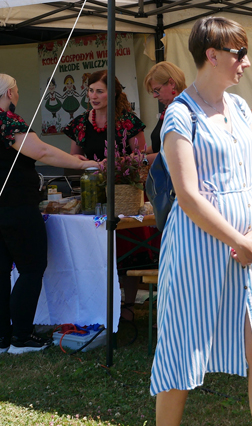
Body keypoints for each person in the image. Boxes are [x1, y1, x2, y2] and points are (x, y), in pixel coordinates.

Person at [150, 17, 252, 426]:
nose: (245, 62)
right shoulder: (179, 114)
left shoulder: (241, 108)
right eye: (239, 54)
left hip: (250, 249)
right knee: (181, 352)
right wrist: (236, 239)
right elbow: (187, 195)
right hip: (196, 249)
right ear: (213, 55)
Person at [0, 73, 99, 354]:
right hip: (16, 205)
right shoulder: (7, 121)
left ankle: (2, 338)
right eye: (17, 90)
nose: (17, 95)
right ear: (9, 94)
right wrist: (80, 165)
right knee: (31, 269)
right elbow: (41, 151)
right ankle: (20, 337)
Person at [63, 70, 148, 317]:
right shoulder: (80, 123)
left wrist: (120, 164)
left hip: (123, 194)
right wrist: (79, 161)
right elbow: (71, 159)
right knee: (97, 250)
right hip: (93, 193)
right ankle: (101, 304)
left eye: (99, 91)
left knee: (128, 251)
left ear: (113, 93)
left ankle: (129, 305)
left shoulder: (128, 121)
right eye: (90, 90)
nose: (93, 96)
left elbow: (141, 159)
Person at [143, 61, 187, 165]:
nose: (154, 95)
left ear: (172, 83)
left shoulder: (180, 110)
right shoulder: (169, 108)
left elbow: (173, 153)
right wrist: (146, 151)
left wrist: (143, 160)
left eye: (157, 90)